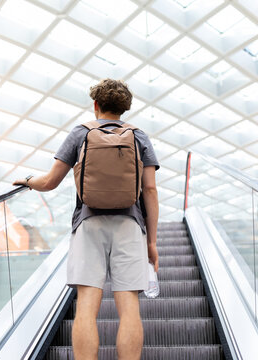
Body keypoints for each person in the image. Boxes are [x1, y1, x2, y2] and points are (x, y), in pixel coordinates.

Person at [14, 78, 159, 360]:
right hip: (130, 225)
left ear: (95, 105)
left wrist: (29, 180)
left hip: (88, 224)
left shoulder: (80, 133)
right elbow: (150, 189)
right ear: (124, 108)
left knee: (86, 307)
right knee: (129, 306)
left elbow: (51, 181)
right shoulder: (139, 136)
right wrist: (151, 242)